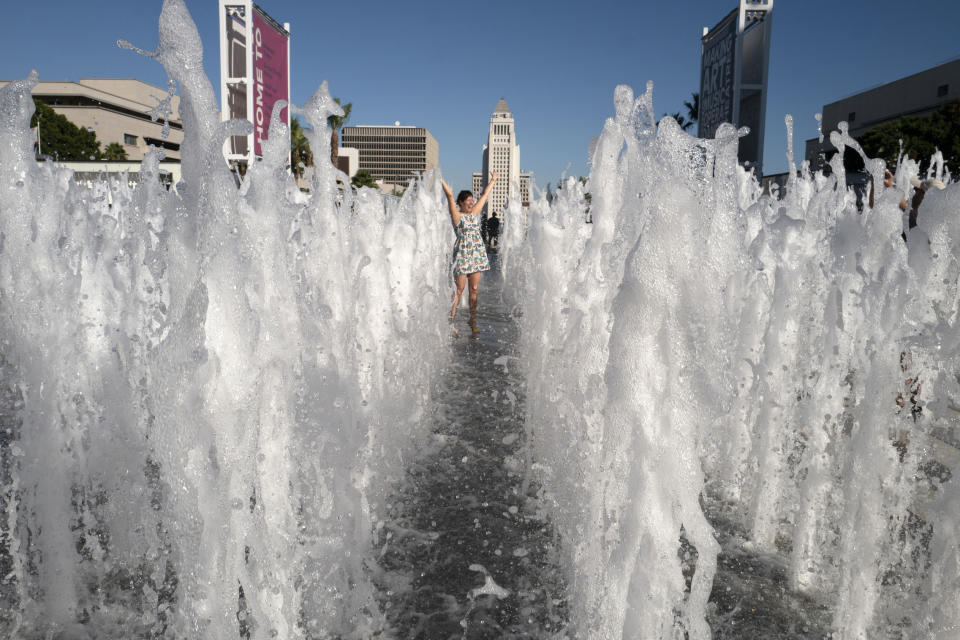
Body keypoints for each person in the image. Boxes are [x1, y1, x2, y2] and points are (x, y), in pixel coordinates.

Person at [441, 171, 499, 333]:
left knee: (474, 290)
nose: (471, 202)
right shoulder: (457, 216)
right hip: (462, 257)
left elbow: (485, 195)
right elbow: (450, 196)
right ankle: (450, 321)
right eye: (468, 200)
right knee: (459, 290)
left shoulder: (474, 214)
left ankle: (472, 321)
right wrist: (439, 177)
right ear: (461, 202)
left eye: (472, 200)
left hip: (477, 257)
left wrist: (493, 180)